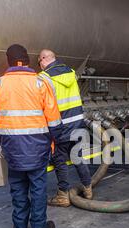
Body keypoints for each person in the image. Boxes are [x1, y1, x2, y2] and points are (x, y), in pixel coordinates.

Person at [0, 44, 63, 228]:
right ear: (28, 61)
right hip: (38, 147)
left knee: (18, 188)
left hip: (12, 147)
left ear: (8, 62)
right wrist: (55, 139)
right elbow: (53, 119)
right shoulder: (40, 83)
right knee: (38, 188)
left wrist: (5, 139)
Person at [38, 49, 93, 207]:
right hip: (77, 124)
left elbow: (45, 104)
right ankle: (88, 189)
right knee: (77, 158)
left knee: (59, 161)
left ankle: (63, 195)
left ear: (43, 59)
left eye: (39, 62)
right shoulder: (71, 72)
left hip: (60, 126)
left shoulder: (44, 78)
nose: (39, 65)